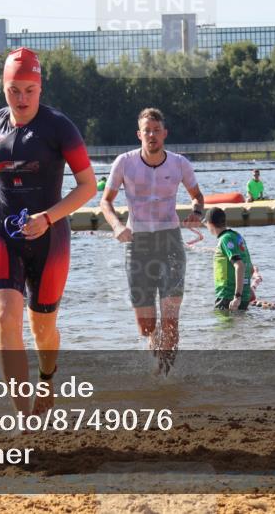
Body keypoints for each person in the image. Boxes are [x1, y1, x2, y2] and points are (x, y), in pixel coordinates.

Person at [0, 47, 96, 416]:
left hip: (49, 236)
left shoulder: (59, 127)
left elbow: (87, 186)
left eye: (29, 91)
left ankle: (47, 378)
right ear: (3, 87)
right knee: (4, 318)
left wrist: (48, 218)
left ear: (40, 89)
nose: (21, 99)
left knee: (42, 330)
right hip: (1, 231)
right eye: (13, 90)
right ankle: (22, 418)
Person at [100, 107, 204, 374]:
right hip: (138, 245)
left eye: (157, 130)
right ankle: (157, 355)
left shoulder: (180, 163)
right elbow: (106, 201)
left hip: (170, 242)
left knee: (170, 319)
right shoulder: (124, 162)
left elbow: (197, 195)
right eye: (147, 130)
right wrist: (117, 226)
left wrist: (196, 212)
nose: (152, 135)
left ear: (164, 133)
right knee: (147, 326)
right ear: (139, 134)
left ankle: (165, 378)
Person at [205, 207, 260, 312]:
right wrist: (246, 289)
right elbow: (249, 266)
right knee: (238, 327)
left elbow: (240, 265)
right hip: (243, 297)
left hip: (228, 297)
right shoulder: (237, 237)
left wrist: (237, 296)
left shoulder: (225, 239)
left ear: (210, 224)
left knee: (223, 327)